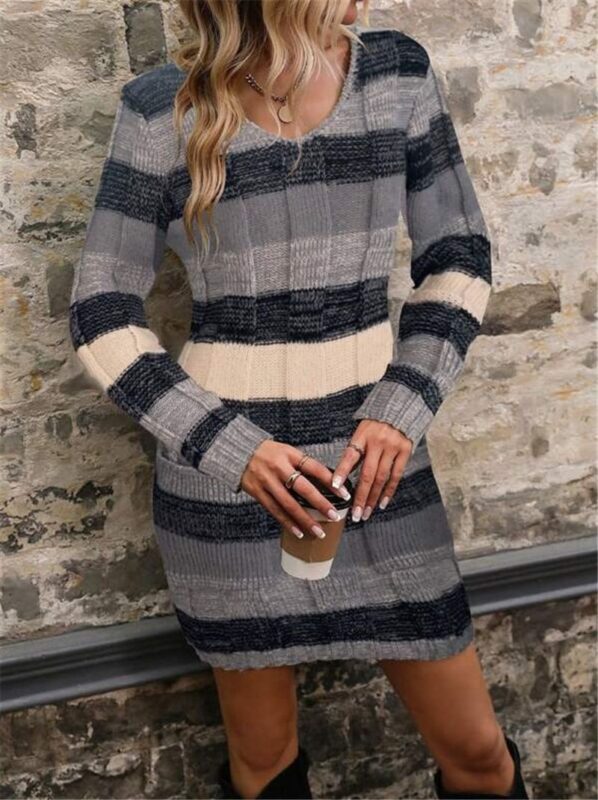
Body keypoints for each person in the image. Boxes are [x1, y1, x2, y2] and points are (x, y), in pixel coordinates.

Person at [68, 1, 530, 798]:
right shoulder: (162, 110)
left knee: (479, 755)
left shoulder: (395, 74)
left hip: (378, 471)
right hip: (229, 485)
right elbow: (100, 311)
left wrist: (401, 408)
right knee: (264, 759)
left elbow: (459, 255)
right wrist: (233, 451)